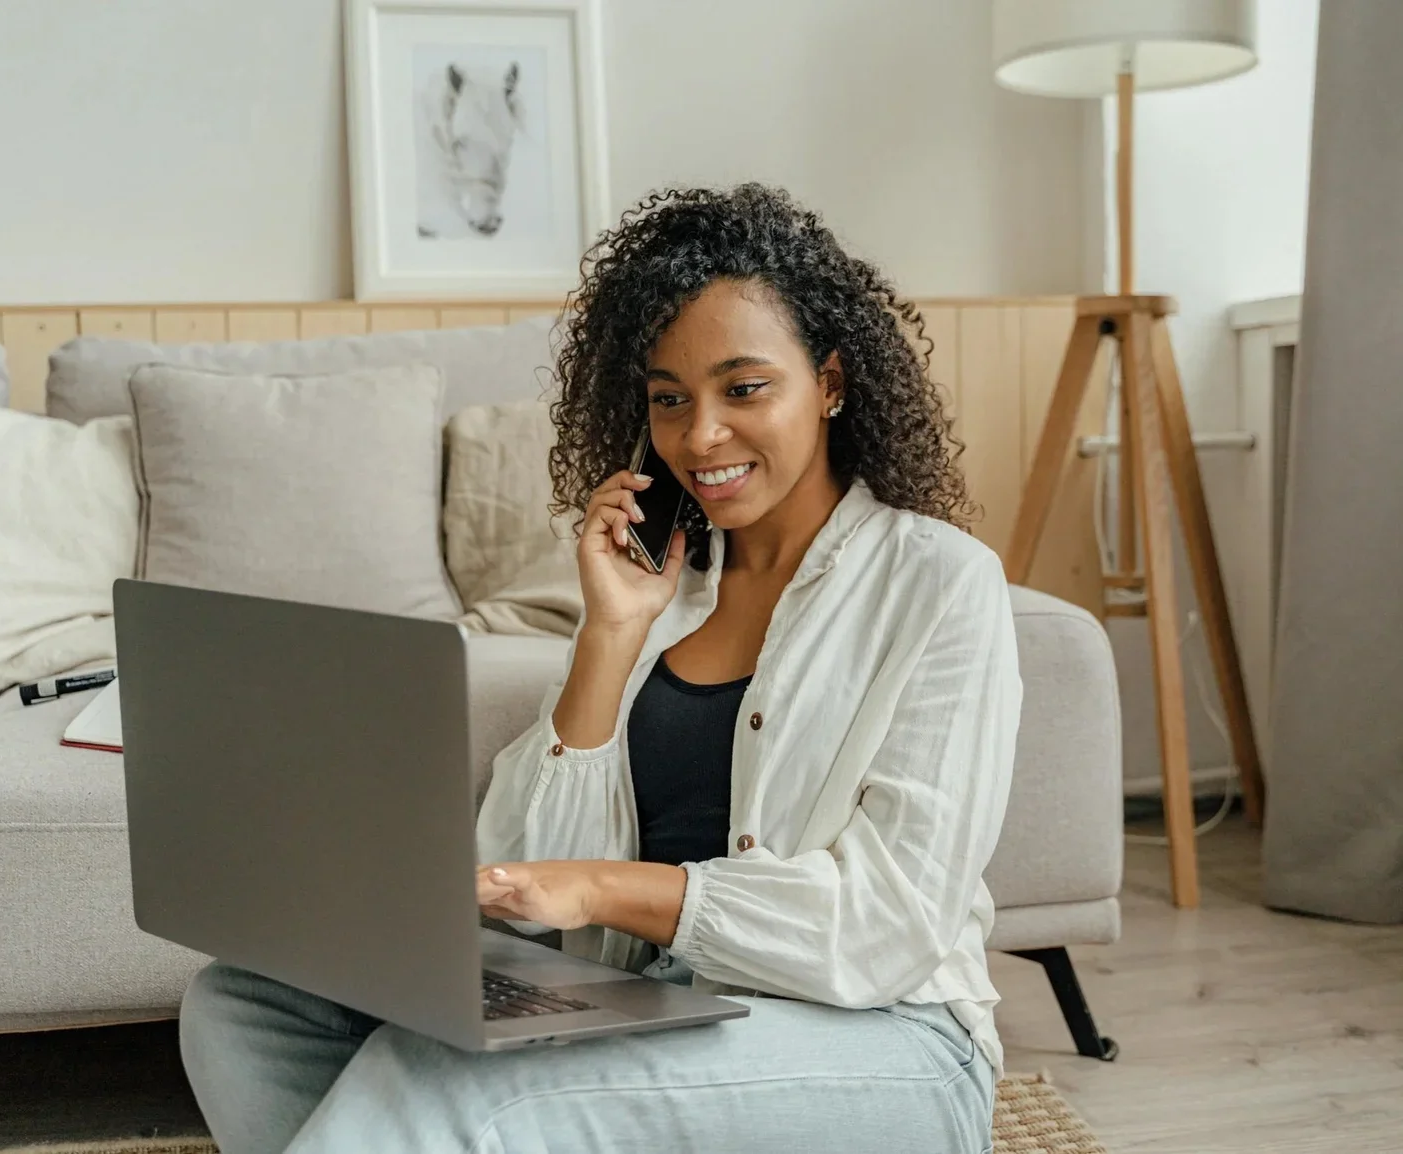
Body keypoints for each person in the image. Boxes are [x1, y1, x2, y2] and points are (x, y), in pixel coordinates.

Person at [179, 182, 1022, 1153]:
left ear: (830, 382)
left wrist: (604, 886)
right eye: (670, 399)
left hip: (890, 1039)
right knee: (244, 1003)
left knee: (455, 1082)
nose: (700, 435)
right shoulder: (665, 589)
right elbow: (531, 876)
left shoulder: (940, 582)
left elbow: (888, 922)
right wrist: (611, 636)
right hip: (667, 999)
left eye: (744, 388)